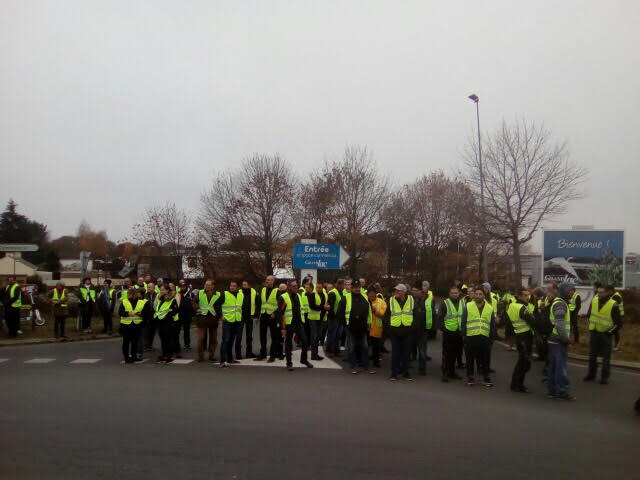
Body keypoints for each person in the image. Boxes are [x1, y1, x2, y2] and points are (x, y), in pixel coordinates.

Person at [584, 284, 622, 384]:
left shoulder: (613, 304)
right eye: (598, 292)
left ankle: (604, 377)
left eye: (601, 292)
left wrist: (609, 332)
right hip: (594, 332)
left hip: (605, 334)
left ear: (606, 293)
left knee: (606, 357)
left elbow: (619, 323)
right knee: (592, 355)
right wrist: (590, 326)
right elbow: (589, 314)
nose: (599, 294)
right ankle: (591, 374)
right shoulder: (594, 300)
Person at [461, 286, 496, 387]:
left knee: (485, 359)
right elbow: (463, 321)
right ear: (473, 295)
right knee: (470, 358)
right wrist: (464, 335)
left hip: (484, 337)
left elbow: (492, 324)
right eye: (476, 294)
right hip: (471, 336)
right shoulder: (468, 306)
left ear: (484, 295)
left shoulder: (489, 308)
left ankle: (486, 377)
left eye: (480, 294)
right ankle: (470, 377)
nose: (478, 296)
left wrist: (491, 337)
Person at [276, 279, 313, 371]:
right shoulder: (283, 297)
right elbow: (280, 313)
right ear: (289, 287)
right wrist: (283, 328)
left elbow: (301, 310)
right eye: (293, 286)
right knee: (288, 344)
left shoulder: (298, 296)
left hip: (298, 323)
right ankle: (289, 363)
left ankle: (303, 360)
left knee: (305, 341)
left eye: (296, 286)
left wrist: (303, 321)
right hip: (288, 324)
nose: (296, 287)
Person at [338, 279, 374, 374]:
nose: (357, 289)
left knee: (365, 347)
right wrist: (345, 325)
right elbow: (340, 313)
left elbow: (369, 312)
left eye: (358, 287)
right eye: (355, 287)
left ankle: (366, 366)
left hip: (362, 327)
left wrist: (369, 324)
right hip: (351, 327)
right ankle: (352, 367)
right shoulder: (346, 298)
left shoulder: (365, 297)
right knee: (352, 347)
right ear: (351, 288)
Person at [546, 282, 574, 400]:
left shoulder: (558, 302)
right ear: (565, 291)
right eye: (570, 292)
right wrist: (566, 340)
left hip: (554, 340)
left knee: (553, 367)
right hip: (558, 341)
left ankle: (552, 391)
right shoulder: (560, 304)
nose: (572, 294)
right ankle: (561, 392)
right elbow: (560, 324)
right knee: (560, 368)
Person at [383, 284, 415, 381]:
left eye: (398, 291)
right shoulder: (391, 300)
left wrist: (412, 328)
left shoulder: (411, 300)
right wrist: (389, 328)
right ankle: (394, 373)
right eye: (396, 290)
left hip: (407, 331)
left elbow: (416, 315)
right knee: (395, 354)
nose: (396, 292)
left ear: (403, 292)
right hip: (395, 331)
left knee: (406, 353)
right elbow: (386, 316)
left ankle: (406, 373)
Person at [507, 288, 536, 393]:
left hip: (519, 335)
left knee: (521, 362)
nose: (527, 297)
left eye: (528, 295)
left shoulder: (512, 306)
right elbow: (533, 321)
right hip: (525, 337)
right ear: (519, 296)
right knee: (524, 363)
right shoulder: (521, 308)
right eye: (525, 295)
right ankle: (519, 385)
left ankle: (514, 383)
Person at [118, 288, 152, 363]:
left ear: (134, 294)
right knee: (126, 342)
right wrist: (127, 313)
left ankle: (134, 356)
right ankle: (126, 357)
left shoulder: (143, 302)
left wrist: (141, 314)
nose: (128, 295)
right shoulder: (124, 301)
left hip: (137, 325)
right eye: (127, 293)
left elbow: (147, 313)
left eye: (129, 293)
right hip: (126, 325)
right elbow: (120, 312)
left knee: (135, 342)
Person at [216, 280, 244, 368]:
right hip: (227, 320)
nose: (232, 287)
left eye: (234, 286)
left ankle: (229, 358)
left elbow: (241, 306)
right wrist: (221, 315)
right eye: (231, 286)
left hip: (237, 320)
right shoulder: (225, 294)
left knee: (231, 340)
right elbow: (216, 305)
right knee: (226, 340)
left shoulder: (241, 294)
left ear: (237, 287)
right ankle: (222, 360)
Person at [255, 275, 283, 362]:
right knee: (262, 336)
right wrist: (256, 316)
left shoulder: (277, 291)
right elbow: (259, 303)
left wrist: (275, 313)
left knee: (274, 337)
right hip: (263, 315)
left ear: (273, 281)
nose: (267, 281)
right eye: (266, 280)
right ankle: (262, 354)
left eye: (269, 280)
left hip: (272, 317)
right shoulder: (262, 289)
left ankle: (272, 355)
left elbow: (280, 305)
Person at [439, 286, 464, 382]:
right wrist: (444, 330)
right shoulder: (445, 304)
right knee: (447, 354)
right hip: (448, 332)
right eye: (452, 293)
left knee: (455, 353)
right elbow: (440, 319)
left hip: (459, 332)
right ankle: (445, 373)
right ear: (449, 294)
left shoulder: (462, 303)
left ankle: (452, 372)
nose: (454, 294)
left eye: (456, 293)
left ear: (459, 293)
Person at [412, 281, 436, 376]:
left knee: (422, 350)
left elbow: (432, 314)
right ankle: (406, 365)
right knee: (409, 349)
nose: (413, 292)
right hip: (412, 328)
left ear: (420, 290)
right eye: (412, 290)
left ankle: (422, 368)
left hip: (423, 329)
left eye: (415, 290)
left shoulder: (428, 299)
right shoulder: (411, 299)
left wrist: (431, 328)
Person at [193, 279, 220, 362]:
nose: (206, 286)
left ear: (213, 286)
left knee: (213, 339)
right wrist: (197, 308)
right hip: (202, 319)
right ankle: (201, 356)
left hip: (213, 319)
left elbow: (220, 305)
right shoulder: (200, 292)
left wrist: (219, 315)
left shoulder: (218, 294)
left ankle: (211, 355)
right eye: (205, 284)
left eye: (208, 285)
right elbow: (194, 302)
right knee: (201, 339)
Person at [153, 284, 179, 363]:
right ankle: (164, 354)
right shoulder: (160, 299)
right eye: (161, 289)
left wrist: (166, 316)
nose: (161, 291)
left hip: (168, 322)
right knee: (163, 339)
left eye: (163, 290)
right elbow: (157, 309)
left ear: (167, 290)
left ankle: (169, 355)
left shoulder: (172, 299)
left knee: (168, 339)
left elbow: (174, 310)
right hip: (160, 321)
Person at [235, 280, 259, 359]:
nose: (243, 286)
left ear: (249, 285)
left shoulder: (254, 292)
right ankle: (238, 354)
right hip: (240, 316)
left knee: (249, 336)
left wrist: (256, 316)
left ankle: (249, 353)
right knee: (239, 335)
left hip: (249, 316)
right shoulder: (239, 292)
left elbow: (257, 303)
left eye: (245, 285)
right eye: (243, 284)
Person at [306, 282, 326, 361]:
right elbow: (312, 306)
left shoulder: (323, 295)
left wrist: (325, 308)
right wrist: (323, 307)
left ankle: (315, 353)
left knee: (318, 337)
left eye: (320, 287)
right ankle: (313, 355)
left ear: (322, 287)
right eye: (317, 287)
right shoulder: (312, 295)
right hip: (313, 318)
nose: (318, 289)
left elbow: (324, 306)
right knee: (314, 337)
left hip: (320, 318)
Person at [367, 287, 386, 368]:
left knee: (376, 346)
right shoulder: (365, 300)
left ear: (375, 294)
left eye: (373, 294)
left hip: (376, 327)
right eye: (369, 294)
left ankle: (376, 361)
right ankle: (362, 360)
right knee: (364, 345)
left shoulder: (381, 302)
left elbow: (383, 313)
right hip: (366, 327)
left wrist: (375, 311)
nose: (371, 295)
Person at [325, 279, 344, 357]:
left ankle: (336, 350)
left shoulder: (340, 292)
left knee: (338, 335)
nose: (344, 287)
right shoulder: (333, 293)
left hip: (339, 318)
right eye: (343, 285)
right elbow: (330, 306)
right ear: (339, 285)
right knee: (332, 334)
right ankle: (329, 350)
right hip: (333, 318)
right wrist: (334, 315)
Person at [177, 279, 194, 350]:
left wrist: (192, 314)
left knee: (186, 330)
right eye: (181, 286)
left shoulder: (190, 294)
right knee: (177, 330)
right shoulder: (178, 294)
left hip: (187, 315)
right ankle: (176, 344)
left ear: (186, 286)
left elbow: (193, 304)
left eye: (183, 286)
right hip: (179, 315)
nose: (182, 288)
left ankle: (187, 344)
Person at [142, 282, 157, 350]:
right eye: (147, 287)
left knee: (152, 331)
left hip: (154, 315)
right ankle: (145, 346)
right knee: (146, 331)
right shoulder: (144, 295)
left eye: (149, 287)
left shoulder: (157, 295)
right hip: (147, 315)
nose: (148, 288)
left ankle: (150, 345)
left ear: (153, 288)